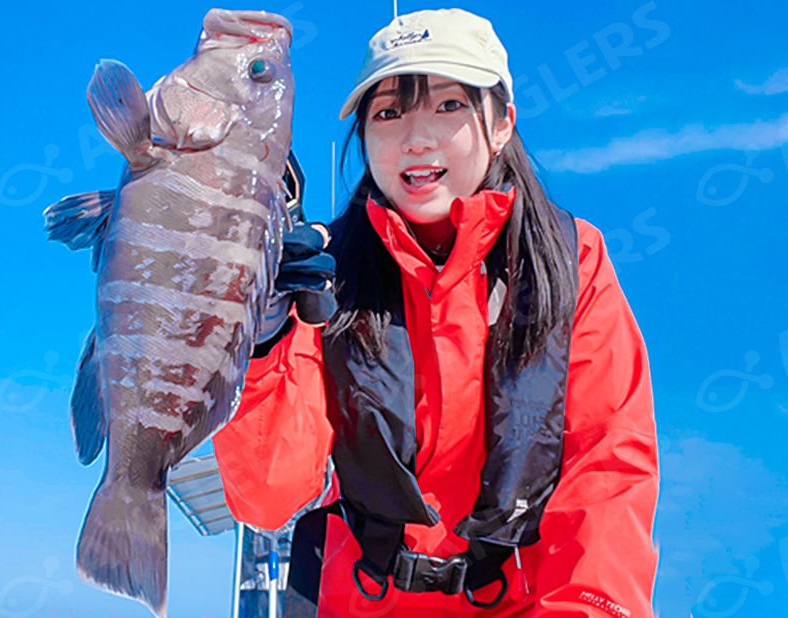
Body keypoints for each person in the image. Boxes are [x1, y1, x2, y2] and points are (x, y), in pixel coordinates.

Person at [214, 8, 660, 617]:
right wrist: (263, 345)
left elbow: (607, 462)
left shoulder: (572, 259)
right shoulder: (320, 275)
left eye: (449, 105)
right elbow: (267, 499)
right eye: (389, 112)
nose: (416, 137)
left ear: (502, 121)